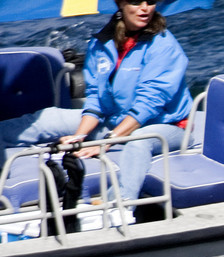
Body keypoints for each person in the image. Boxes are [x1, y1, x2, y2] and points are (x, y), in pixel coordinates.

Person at [0, 0, 192, 211]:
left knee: (139, 143)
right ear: (121, 4)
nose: (145, 8)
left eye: (151, 1)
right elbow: (95, 98)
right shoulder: (101, 43)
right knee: (48, 118)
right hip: (117, 119)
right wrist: (80, 137)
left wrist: (107, 141)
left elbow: (149, 105)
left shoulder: (164, 45)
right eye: (136, 1)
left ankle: (119, 209)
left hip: (167, 126)